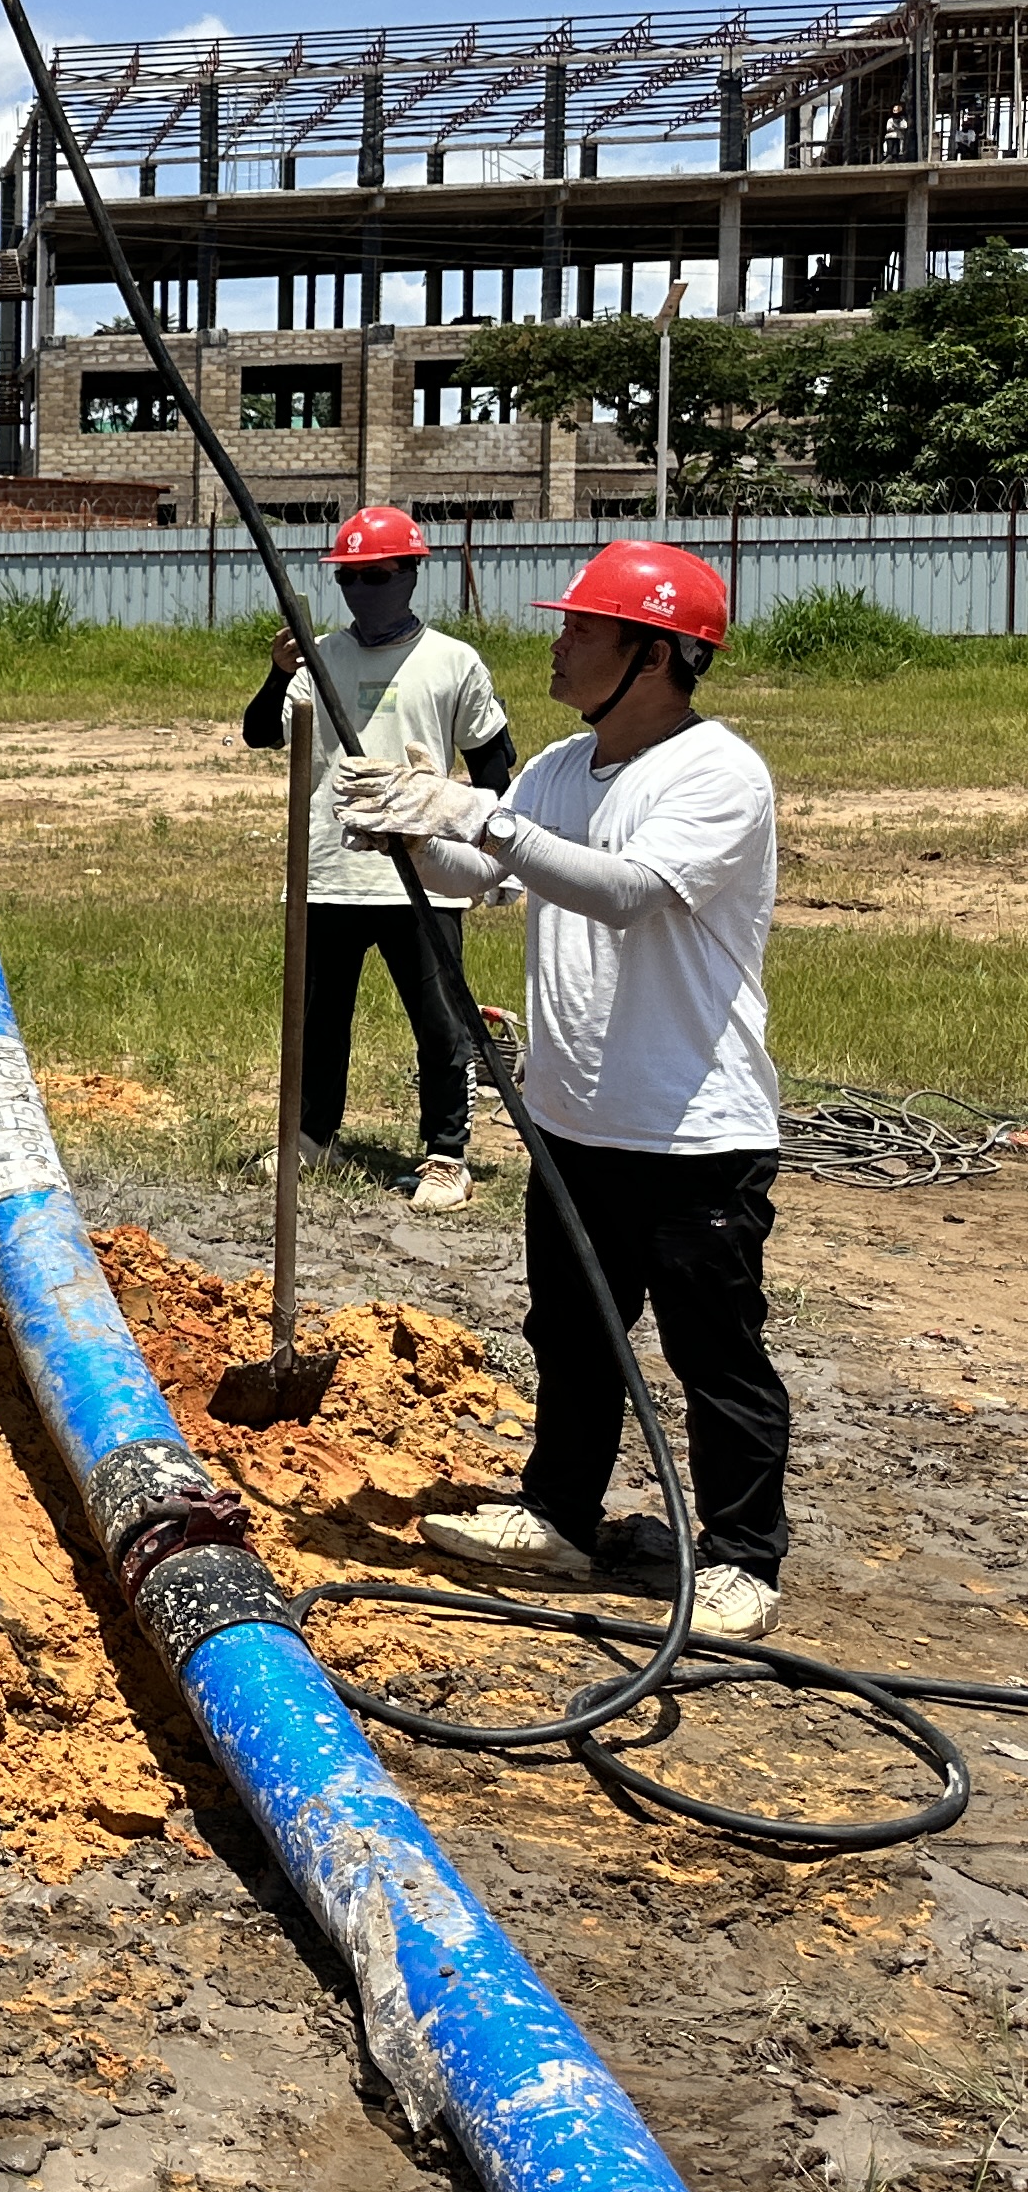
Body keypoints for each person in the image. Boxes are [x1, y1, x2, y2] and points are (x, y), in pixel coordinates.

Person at [341, 540, 791, 1641]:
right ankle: (559, 1516)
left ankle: (743, 1558)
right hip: (572, 1119)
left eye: (581, 629)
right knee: (574, 1334)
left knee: (714, 1355)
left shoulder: (718, 774)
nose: (556, 645)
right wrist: (412, 830)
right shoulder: (555, 766)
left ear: (655, 655)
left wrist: (474, 813)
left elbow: (627, 890)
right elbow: (484, 875)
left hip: (693, 1133)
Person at [244, 506, 512, 1212]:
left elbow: (493, 765)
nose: (362, 591)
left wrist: (478, 844)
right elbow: (260, 733)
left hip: (422, 873)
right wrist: (277, 673)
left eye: (378, 576)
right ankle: (311, 1137)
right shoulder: (319, 659)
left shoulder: (453, 661)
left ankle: (446, 1155)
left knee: (440, 1022)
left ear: (413, 574)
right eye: (349, 579)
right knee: (317, 1020)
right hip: (328, 870)